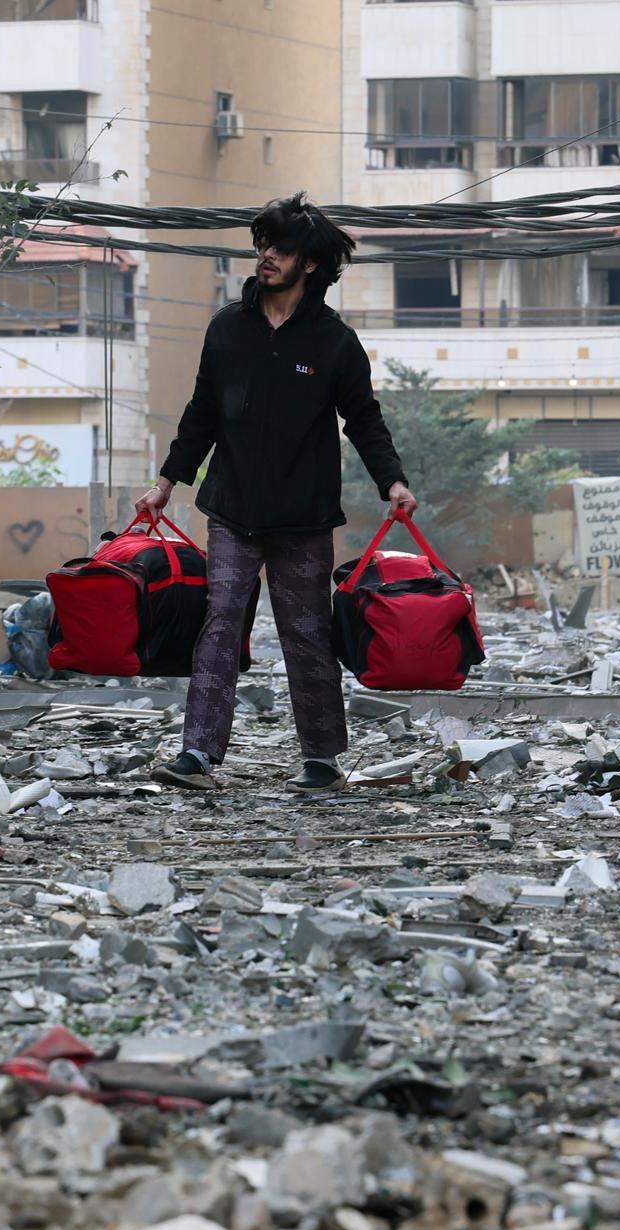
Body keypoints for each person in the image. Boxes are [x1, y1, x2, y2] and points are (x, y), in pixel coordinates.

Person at [136, 192, 415, 796]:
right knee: (220, 622)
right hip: (232, 506)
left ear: (309, 264)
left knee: (307, 632)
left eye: (280, 249)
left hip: (304, 514)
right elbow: (201, 414)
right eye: (262, 245)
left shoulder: (334, 343)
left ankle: (320, 758)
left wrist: (392, 482)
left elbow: (363, 419)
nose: (265, 256)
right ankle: (198, 753)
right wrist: (165, 484)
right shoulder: (227, 330)